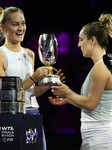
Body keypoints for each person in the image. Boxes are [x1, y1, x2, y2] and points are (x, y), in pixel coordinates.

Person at [0, 6, 65, 150]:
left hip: (32, 113)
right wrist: (34, 77)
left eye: (23, 23)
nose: (21, 28)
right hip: (10, 117)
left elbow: (31, 92)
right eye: (15, 24)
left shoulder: (30, 54)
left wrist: (49, 83)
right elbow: (5, 94)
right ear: (3, 27)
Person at [49, 13, 112, 150]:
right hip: (95, 134)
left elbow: (91, 104)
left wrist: (68, 92)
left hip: (100, 136)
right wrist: (68, 100)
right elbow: (96, 102)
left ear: (93, 40)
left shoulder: (101, 67)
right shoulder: (102, 64)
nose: (78, 44)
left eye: (81, 39)